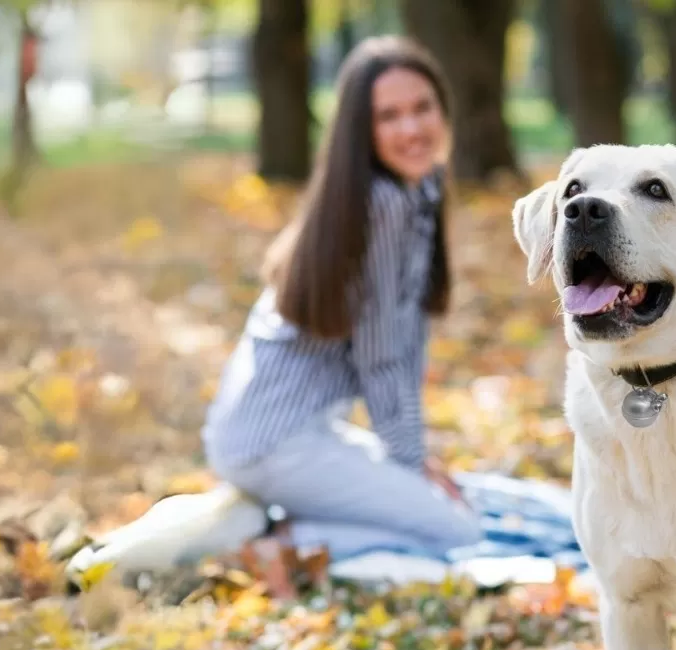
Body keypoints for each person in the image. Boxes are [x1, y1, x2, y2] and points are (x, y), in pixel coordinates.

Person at [201, 35, 483, 586]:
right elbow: (381, 359)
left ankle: (276, 522)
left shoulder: (412, 190)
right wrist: (408, 465)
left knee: (440, 500)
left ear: (443, 109)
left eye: (422, 108)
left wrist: (413, 457)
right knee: (458, 531)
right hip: (274, 442)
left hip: (274, 433)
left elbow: (407, 338)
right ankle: (271, 543)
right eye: (389, 116)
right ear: (362, 130)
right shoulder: (379, 208)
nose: (411, 129)